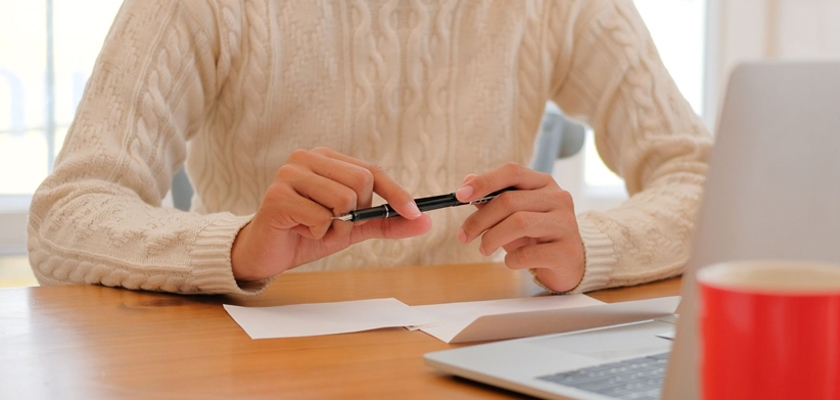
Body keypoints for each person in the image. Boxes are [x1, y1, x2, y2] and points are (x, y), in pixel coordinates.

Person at [27, 0, 711, 295]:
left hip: (480, 357)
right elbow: (65, 217)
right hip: (256, 364)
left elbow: (707, 179)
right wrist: (235, 247)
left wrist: (593, 248)